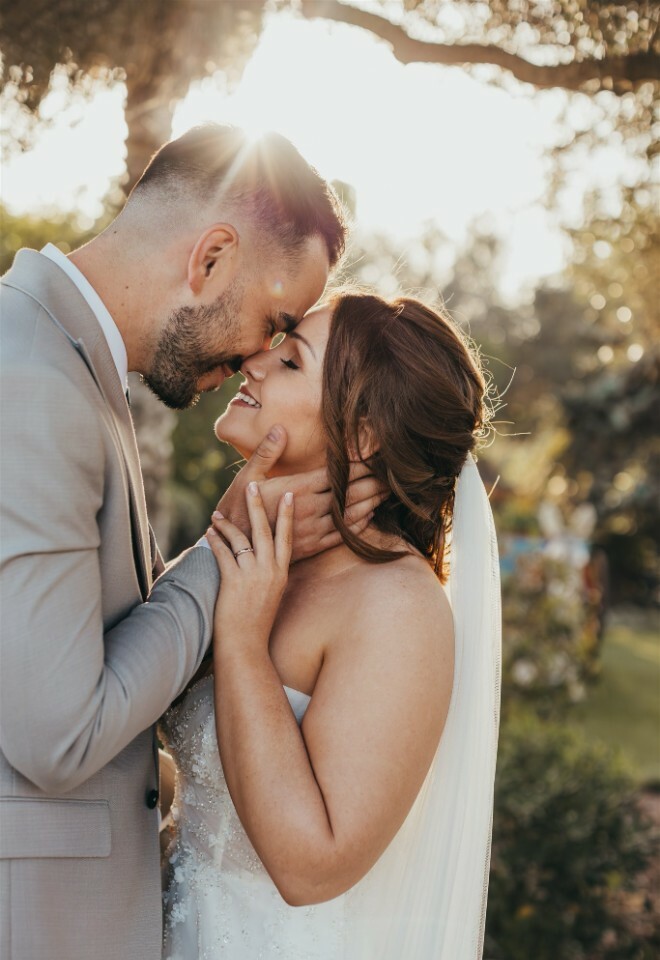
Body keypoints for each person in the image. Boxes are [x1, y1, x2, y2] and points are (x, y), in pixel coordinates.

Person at [0, 123, 377, 960]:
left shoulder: (64, 365)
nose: (259, 360)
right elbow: (58, 738)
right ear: (209, 259)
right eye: (275, 323)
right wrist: (222, 556)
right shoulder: (34, 383)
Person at [161, 292, 502, 959]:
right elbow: (124, 683)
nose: (254, 362)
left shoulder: (397, 607)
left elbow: (312, 868)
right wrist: (223, 535)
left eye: (290, 361)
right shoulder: (272, 556)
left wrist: (240, 640)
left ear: (364, 432)